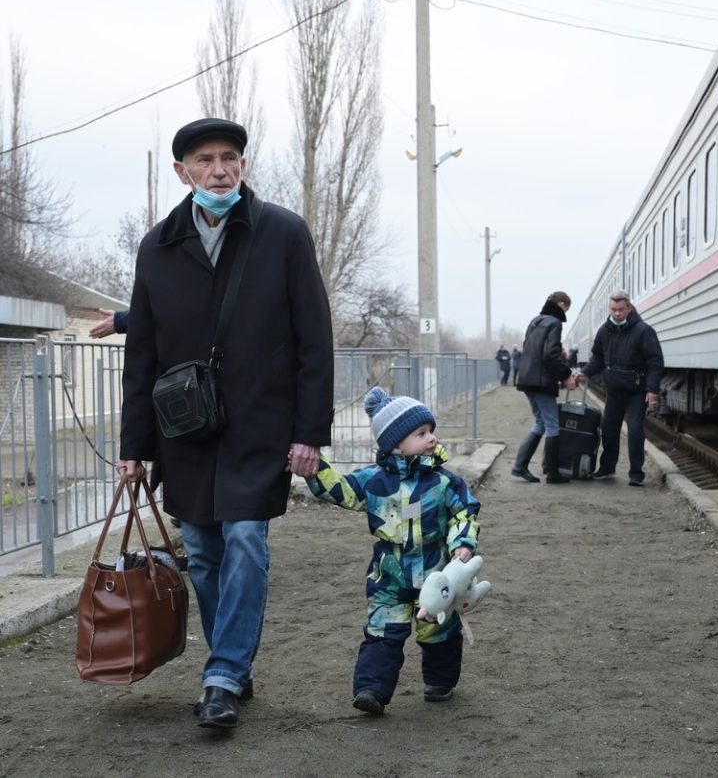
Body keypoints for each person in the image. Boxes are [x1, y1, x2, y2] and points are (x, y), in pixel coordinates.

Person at [118, 117, 335, 728]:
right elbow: (143, 356)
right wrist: (133, 446)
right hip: (184, 430)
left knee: (244, 539)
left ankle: (222, 673)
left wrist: (309, 433)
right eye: (206, 160)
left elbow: (314, 341)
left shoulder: (283, 234)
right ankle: (230, 664)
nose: (219, 170)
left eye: (230, 158)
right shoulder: (157, 245)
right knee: (203, 552)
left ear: (243, 164)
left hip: (261, 425)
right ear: (182, 170)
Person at [306, 388, 480, 714]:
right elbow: (341, 490)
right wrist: (315, 468)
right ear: (396, 444)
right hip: (389, 573)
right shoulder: (374, 482)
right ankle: (372, 689)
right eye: (421, 433)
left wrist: (462, 544)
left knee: (439, 630)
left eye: (431, 431)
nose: (432, 438)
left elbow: (464, 513)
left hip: (434, 571)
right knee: (383, 631)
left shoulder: (444, 483)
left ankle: (439, 683)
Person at [577, 290, 663, 487]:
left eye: (621, 309)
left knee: (634, 431)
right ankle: (607, 467)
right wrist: (585, 373)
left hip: (637, 390)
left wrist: (652, 389)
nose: (617, 314)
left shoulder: (643, 330)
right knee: (608, 429)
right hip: (615, 390)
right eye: (613, 309)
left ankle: (636, 473)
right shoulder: (604, 331)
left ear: (629, 308)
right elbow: (597, 358)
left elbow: (655, 362)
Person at [512, 290, 577, 484]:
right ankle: (553, 473)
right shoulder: (554, 323)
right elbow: (550, 355)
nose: (566, 312)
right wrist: (566, 375)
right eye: (567, 308)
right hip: (541, 382)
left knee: (540, 422)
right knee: (552, 425)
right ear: (561, 304)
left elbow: (532, 350)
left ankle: (520, 466)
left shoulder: (535, 321)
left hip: (527, 379)